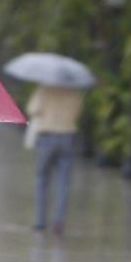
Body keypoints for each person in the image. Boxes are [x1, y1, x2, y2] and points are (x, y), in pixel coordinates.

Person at [25, 83, 87, 235]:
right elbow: (78, 113)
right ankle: (59, 221)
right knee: (63, 182)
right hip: (67, 137)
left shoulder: (44, 89)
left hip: (46, 137)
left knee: (41, 179)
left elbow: (32, 110)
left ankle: (40, 222)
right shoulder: (74, 93)